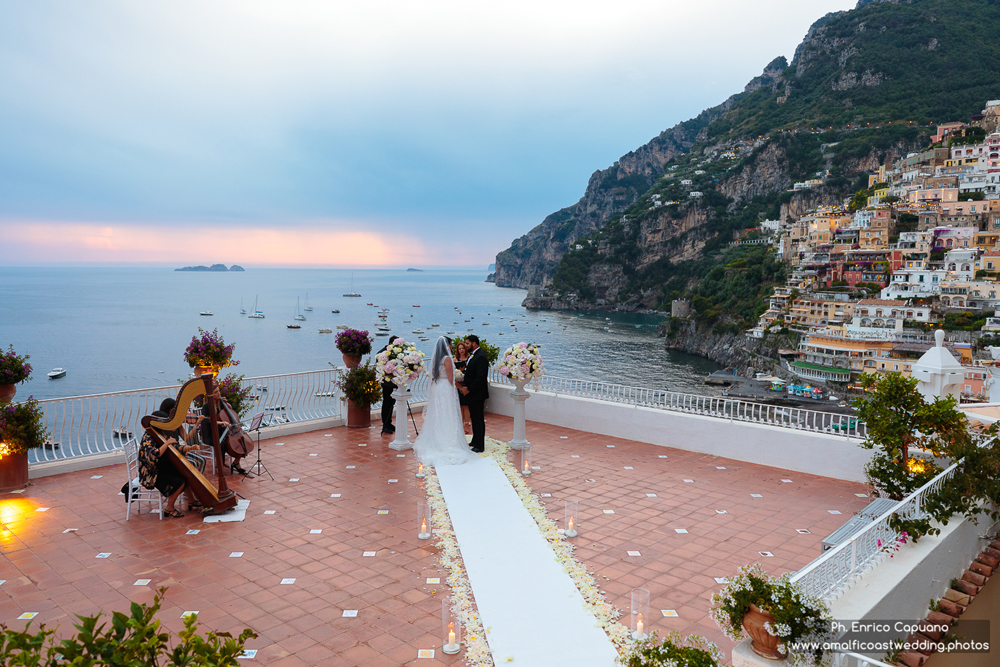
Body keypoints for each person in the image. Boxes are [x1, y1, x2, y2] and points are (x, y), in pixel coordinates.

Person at [412, 337, 478, 467]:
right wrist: (460, 387)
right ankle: (447, 441)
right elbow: (450, 378)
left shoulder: (436, 359)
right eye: (451, 344)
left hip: (438, 387)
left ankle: (437, 439)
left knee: (439, 412)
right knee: (447, 412)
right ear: (446, 345)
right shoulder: (447, 359)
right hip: (446, 388)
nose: (452, 347)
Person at [138, 410, 202, 518]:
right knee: (179, 480)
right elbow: (152, 457)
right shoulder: (148, 438)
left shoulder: (160, 434)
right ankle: (169, 508)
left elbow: (174, 448)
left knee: (185, 474)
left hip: (160, 467)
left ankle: (192, 501)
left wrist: (190, 448)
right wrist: (167, 443)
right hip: (151, 473)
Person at [200, 385, 249, 475]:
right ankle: (220, 465)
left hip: (221, 432)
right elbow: (207, 420)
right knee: (221, 444)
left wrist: (226, 404)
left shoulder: (220, 403)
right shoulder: (206, 407)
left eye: (218, 391)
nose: (218, 393)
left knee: (241, 441)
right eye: (215, 392)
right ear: (210, 395)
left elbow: (230, 412)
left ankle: (236, 463)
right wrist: (221, 423)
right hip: (209, 434)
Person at [459, 334, 489, 453]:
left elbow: (480, 377)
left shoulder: (480, 356)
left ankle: (479, 445)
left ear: (474, 343)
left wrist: (468, 389)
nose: (466, 346)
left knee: (477, 419)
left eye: (467, 343)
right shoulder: (475, 355)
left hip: (477, 393)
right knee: (475, 418)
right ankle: (475, 440)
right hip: (473, 393)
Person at [378, 335, 399, 436]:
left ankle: (389, 423)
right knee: (387, 403)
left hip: (394, 382)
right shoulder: (382, 353)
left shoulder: (395, 352)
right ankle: (385, 425)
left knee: (392, 403)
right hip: (386, 382)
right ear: (391, 343)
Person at [454, 341, 472, 433]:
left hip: (467, 384)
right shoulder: (455, 360)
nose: (461, 350)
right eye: (459, 349)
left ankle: (467, 423)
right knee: (460, 405)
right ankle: (460, 423)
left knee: (466, 405)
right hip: (458, 385)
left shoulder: (469, 359)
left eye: (463, 348)